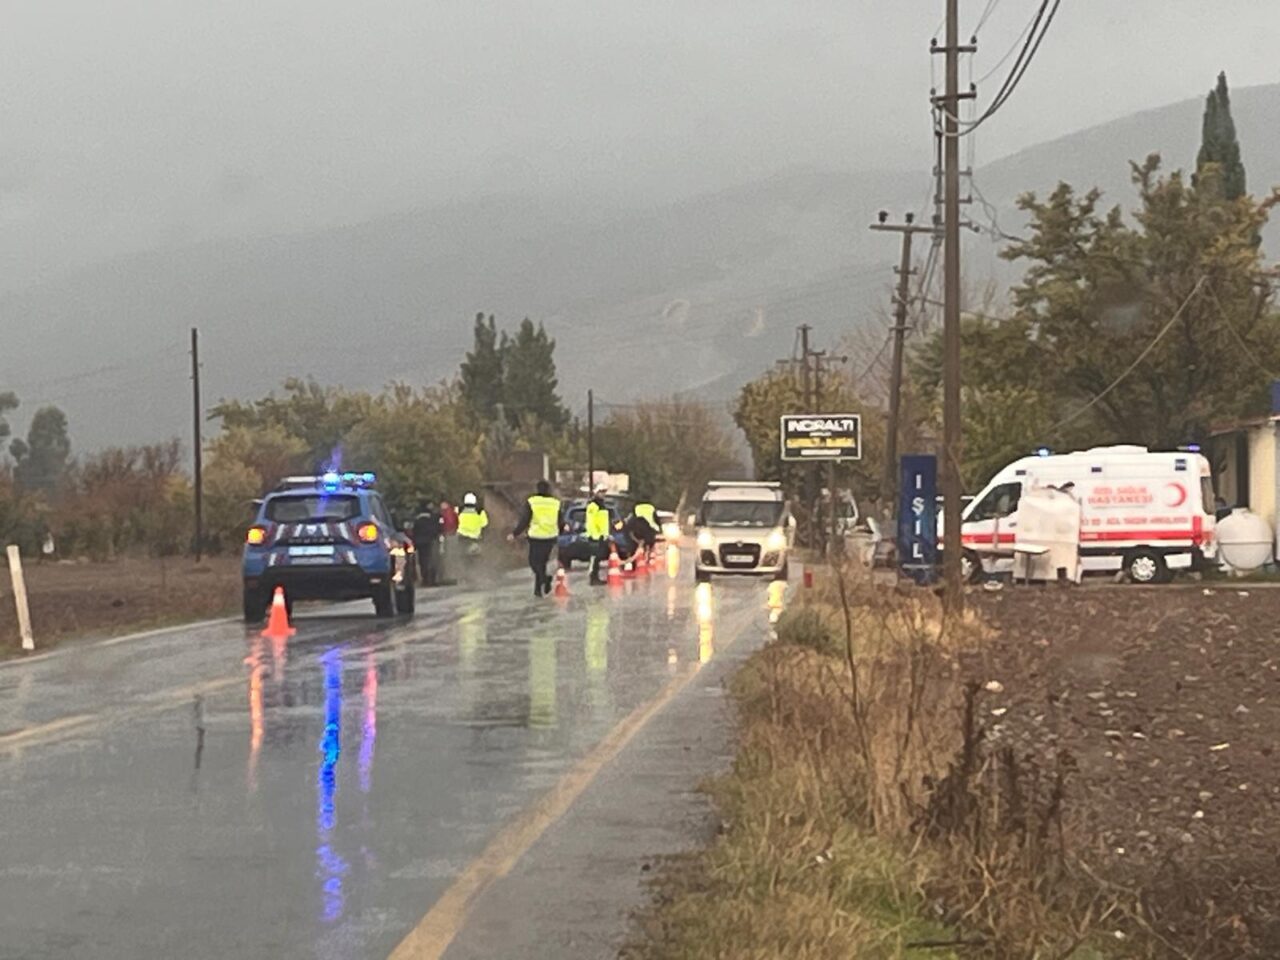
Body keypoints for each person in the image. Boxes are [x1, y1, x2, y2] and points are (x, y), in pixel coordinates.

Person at [509, 479, 565, 596]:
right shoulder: (555, 503)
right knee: (542, 563)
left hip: (536, 536)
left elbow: (525, 520)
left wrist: (515, 533)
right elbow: (560, 520)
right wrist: (562, 531)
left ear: (537, 489)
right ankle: (538, 589)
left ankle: (544, 579)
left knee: (534, 563)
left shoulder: (532, 502)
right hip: (550, 536)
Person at [411, 500, 442, 586]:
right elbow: (437, 529)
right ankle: (432, 580)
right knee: (432, 560)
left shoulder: (417, 519)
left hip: (420, 543)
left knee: (422, 561)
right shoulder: (433, 518)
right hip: (430, 541)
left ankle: (425, 579)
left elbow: (414, 531)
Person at [585, 487, 611, 585]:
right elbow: (591, 521)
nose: (603, 494)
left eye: (604, 492)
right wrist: (594, 534)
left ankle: (596, 577)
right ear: (596, 493)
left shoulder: (602, 505)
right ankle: (593, 578)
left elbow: (603, 522)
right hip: (595, 535)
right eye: (601, 492)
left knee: (598, 558)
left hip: (601, 535)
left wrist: (605, 534)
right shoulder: (593, 505)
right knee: (594, 558)